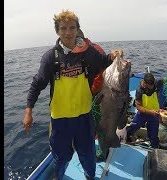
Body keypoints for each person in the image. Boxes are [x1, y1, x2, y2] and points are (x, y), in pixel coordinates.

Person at [22, 10, 123, 180]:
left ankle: (90, 177)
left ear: (78, 29)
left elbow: (104, 62)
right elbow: (37, 84)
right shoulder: (50, 57)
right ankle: (59, 177)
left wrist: (114, 55)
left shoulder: (87, 52)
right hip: (60, 120)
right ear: (57, 31)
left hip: (84, 117)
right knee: (61, 157)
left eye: (72, 28)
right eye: (63, 28)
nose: (68, 32)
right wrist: (28, 111)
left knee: (88, 155)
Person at [76, 29, 108, 161]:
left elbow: (102, 74)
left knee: (100, 125)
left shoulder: (95, 51)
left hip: (97, 95)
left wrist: (91, 91)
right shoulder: (75, 51)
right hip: (86, 96)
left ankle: (102, 153)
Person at [126, 71, 167, 149]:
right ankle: (126, 136)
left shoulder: (156, 82)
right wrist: (150, 112)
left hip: (155, 113)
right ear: (144, 83)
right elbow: (138, 107)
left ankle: (154, 147)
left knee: (153, 133)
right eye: (149, 86)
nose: (151, 87)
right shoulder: (139, 90)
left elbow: (166, 80)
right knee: (134, 126)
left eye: (152, 86)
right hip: (143, 113)